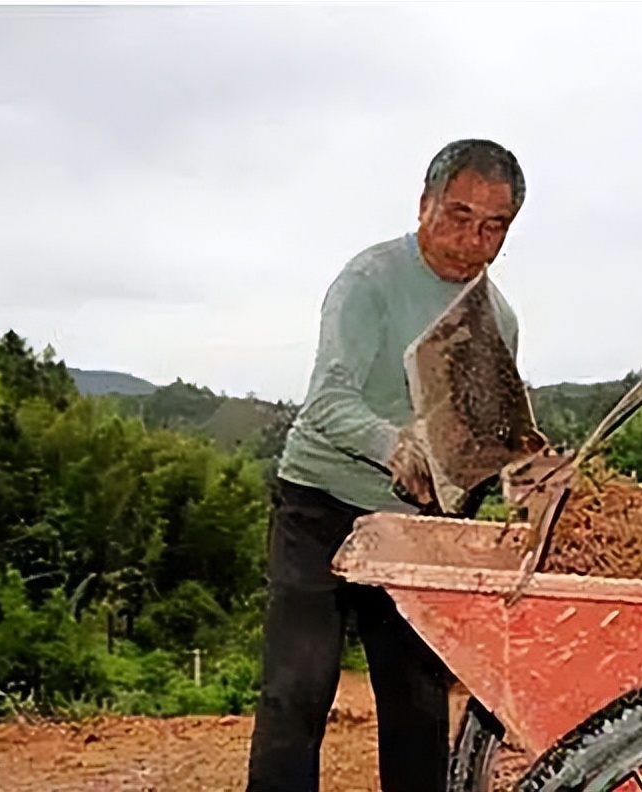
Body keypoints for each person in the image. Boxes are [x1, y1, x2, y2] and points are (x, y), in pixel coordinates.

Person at [246, 139, 526, 792]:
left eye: (494, 227)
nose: (471, 241)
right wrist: (395, 446)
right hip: (319, 504)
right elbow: (326, 402)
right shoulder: (369, 280)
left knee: (418, 699)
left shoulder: (497, 320)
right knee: (297, 689)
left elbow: (480, 433)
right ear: (424, 203)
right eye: (457, 216)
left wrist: (513, 469)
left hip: (413, 524)